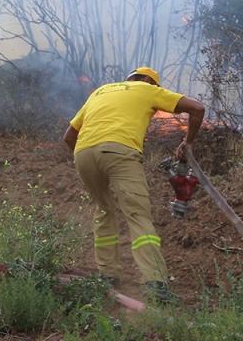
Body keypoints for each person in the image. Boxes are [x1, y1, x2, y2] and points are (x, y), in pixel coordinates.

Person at [63, 66, 205, 303]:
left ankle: (107, 276)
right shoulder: (147, 89)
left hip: (83, 153)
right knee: (138, 216)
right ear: (152, 83)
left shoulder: (100, 91)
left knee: (104, 211)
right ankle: (155, 283)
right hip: (120, 151)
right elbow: (197, 108)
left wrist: (89, 156)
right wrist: (187, 143)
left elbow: (69, 136)